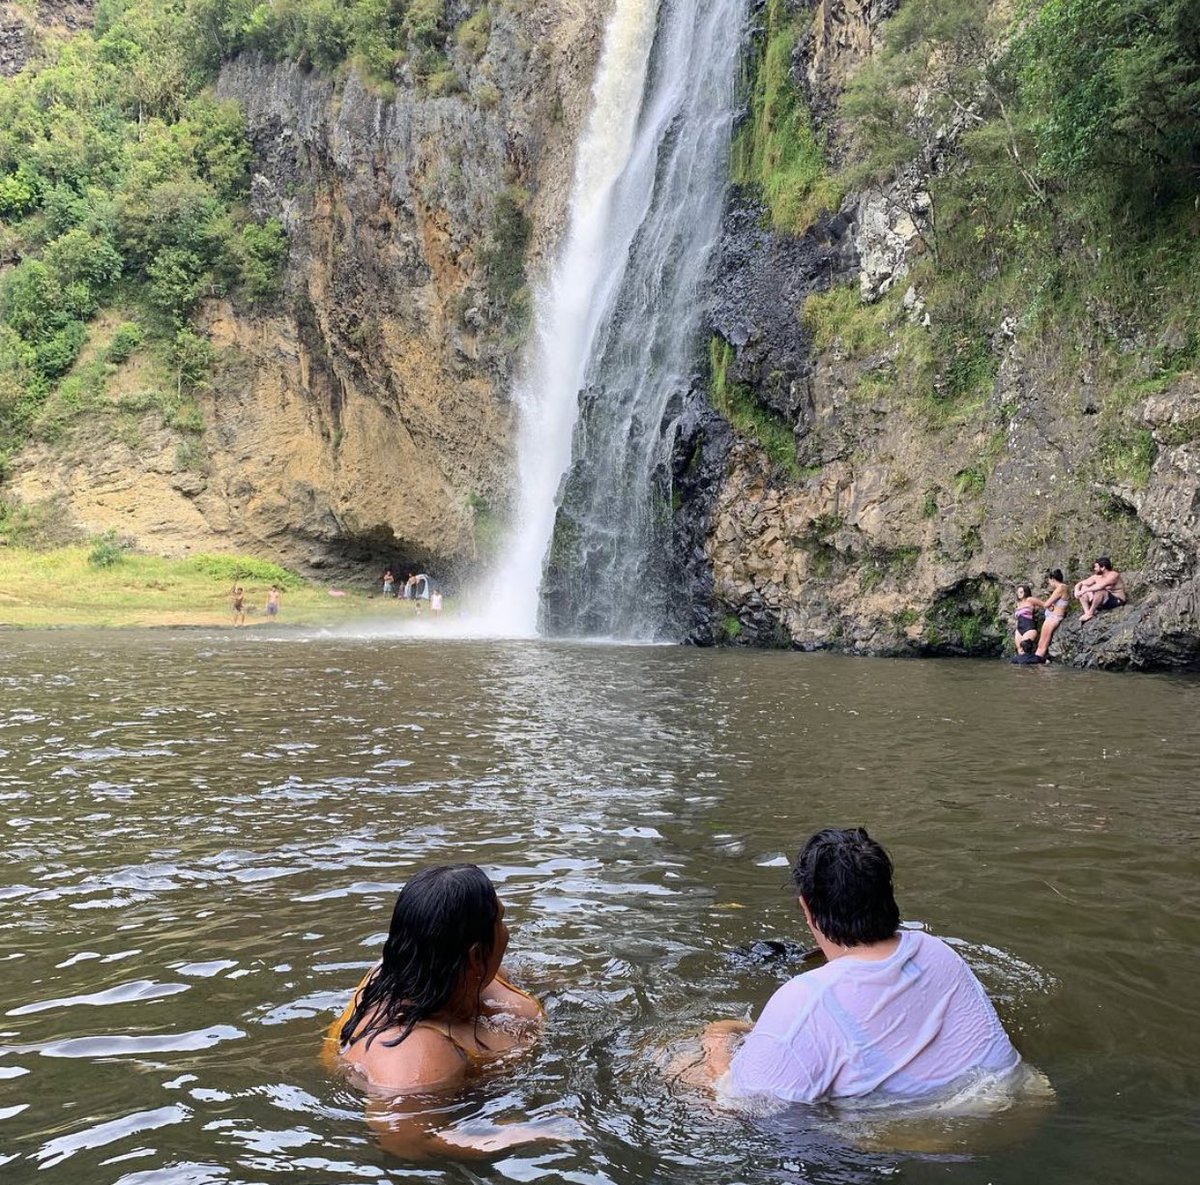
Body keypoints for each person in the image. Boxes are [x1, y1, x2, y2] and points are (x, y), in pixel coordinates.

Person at [699, 828, 1020, 1103]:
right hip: (1014, 1100)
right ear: (887, 895)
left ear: (806, 909)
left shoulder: (802, 1001)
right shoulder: (938, 951)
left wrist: (715, 1039)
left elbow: (738, 1106)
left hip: (919, 1141)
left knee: (677, 1058)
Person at [326, 865, 565, 1156]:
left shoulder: (428, 967)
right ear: (476, 956)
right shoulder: (413, 1050)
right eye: (501, 921)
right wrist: (531, 1132)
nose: (507, 933)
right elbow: (405, 1139)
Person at [1074, 556, 1127, 622]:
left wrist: (1084, 591)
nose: (1094, 569)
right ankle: (1087, 612)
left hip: (1117, 600)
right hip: (1104, 601)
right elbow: (1080, 583)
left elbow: (1100, 586)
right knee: (1084, 586)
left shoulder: (1113, 575)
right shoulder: (1097, 577)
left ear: (1103, 567)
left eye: (1096, 567)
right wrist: (1076, 591)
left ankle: (1090, 613)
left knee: (1100, 591)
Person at [1035, 569, 1069, 657]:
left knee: (1042, 644)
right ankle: (1038, 660)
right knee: (1042, 643)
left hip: (1053, 617)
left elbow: (1046, 604)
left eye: (1049, 581)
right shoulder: (1061, 588)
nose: (1049, 583)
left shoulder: (1061, 588)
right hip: (1052, 617)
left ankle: (1037, 662)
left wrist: (1035, 601)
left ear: (1053, 579)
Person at [1012, 584, 1042, 655]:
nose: (1019, 594)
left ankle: (1033, 663)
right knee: (1019, 650)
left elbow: (1044, 604)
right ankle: (1023, 666)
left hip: (1029, 627)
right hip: (1019, 629)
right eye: (1018, 592)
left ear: (1026, 592)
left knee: (1024, 647)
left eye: (1021, 592)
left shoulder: (1030, 600)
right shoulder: (1018, 604)